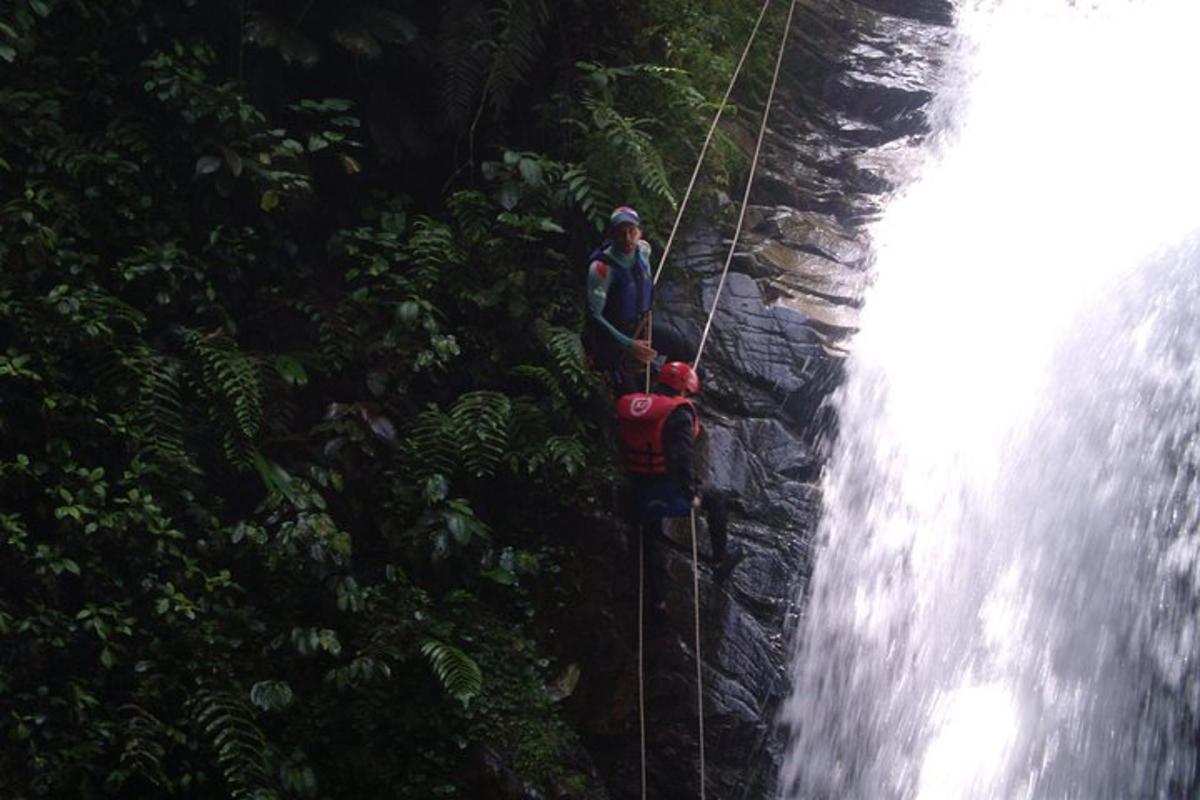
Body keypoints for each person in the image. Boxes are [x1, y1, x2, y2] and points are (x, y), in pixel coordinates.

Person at [615, 362, 739, 610]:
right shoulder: (678, 413)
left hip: (638, 489)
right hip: (668, 490)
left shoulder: (637, 403)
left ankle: (657, 600)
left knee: (650, 540)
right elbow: (680, 457)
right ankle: (719, 562)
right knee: (716, 500)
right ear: (684, 389)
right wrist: (690, 492)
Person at [584, 206, 657, 396]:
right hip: (613, 340)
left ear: (639, 232)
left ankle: (663, 397)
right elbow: (595, 316)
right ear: (612, 235)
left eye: (632, 231)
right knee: (631, 397)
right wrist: (629, 344)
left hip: (640, 327)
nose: (627, 238)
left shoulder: (644, 251)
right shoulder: (601, 268)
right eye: (621, 233)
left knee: (686, 350)